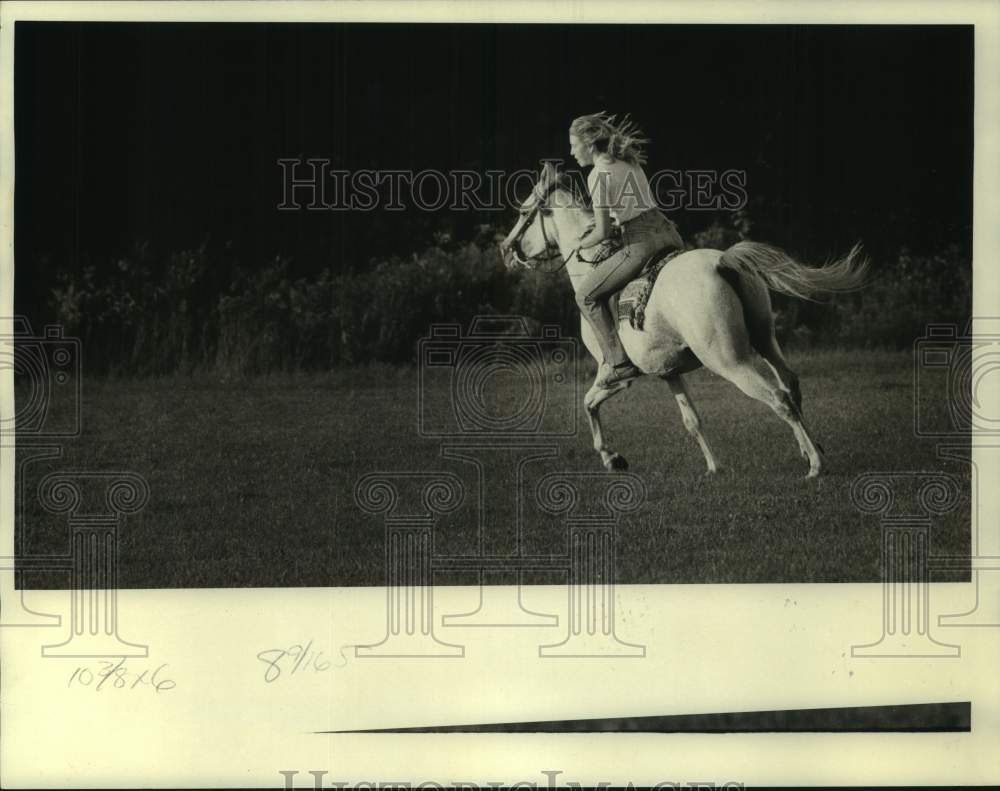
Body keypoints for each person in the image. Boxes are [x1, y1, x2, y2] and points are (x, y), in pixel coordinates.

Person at [569, 112, 684, 388]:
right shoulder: (629, 163)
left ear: (588, 143)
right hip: (669, 234)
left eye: (574, 145)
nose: (571, 152)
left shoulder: (597, 175)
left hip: (640, 243)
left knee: (585, 295)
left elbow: (602, 232)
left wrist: (580, 243)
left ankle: (619, 364)